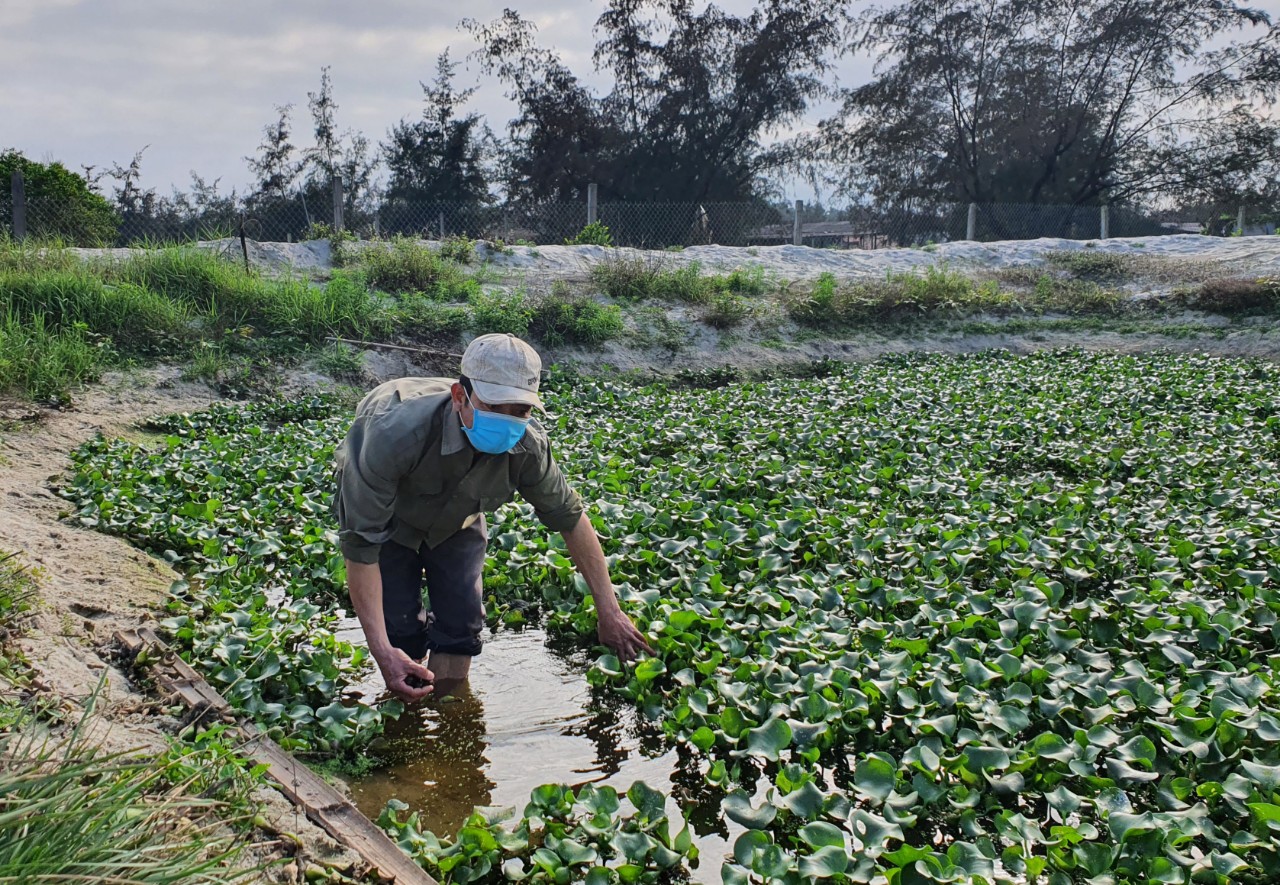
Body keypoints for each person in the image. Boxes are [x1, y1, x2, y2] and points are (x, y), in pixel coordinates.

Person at [333, 333, 652, 702]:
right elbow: (362, 546)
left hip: (459, 521)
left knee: (461, 626)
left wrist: (609, 611)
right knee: (397, 631)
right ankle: (405, 694)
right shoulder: (393, 434)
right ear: (459, 397)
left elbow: (570, 519)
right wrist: (382, 651)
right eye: (494, 406)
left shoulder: (527, 446)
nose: (508, 420)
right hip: (390, 521)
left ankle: (446, 714)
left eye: (520, 410)